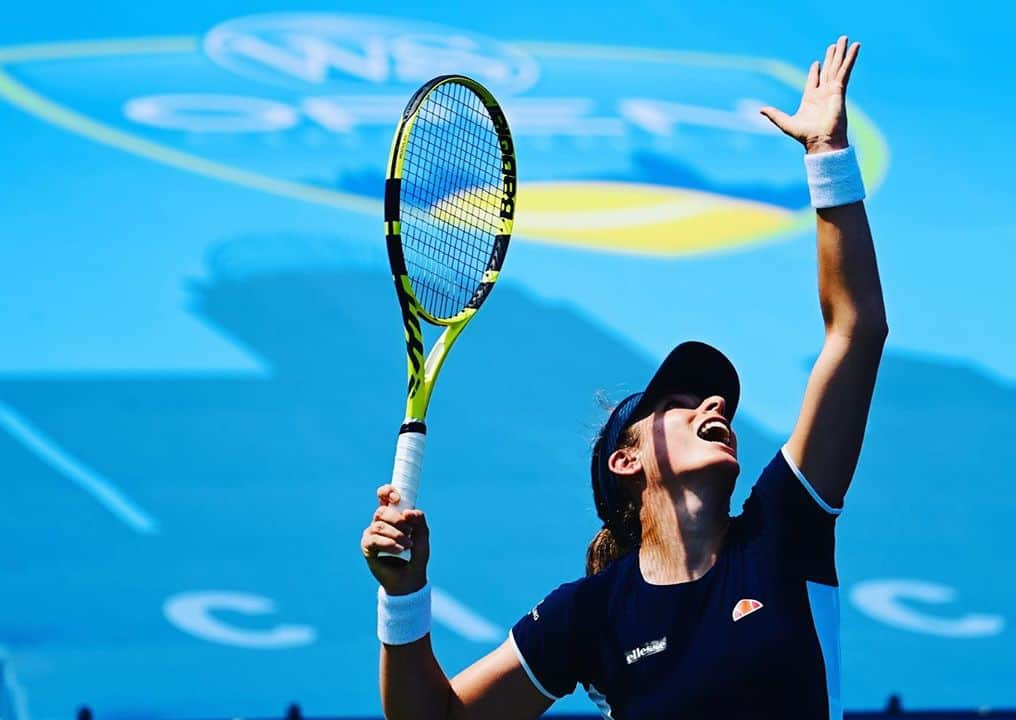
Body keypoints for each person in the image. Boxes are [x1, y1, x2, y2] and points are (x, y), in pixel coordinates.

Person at [361, 35, 886, 720]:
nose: (716, 403)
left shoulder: (785, 532)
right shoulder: (591, 614)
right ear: (627, 459)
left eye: (714, 396)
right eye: (680, 400)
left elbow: (857, 331)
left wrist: (827, 157)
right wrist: (403, 597)